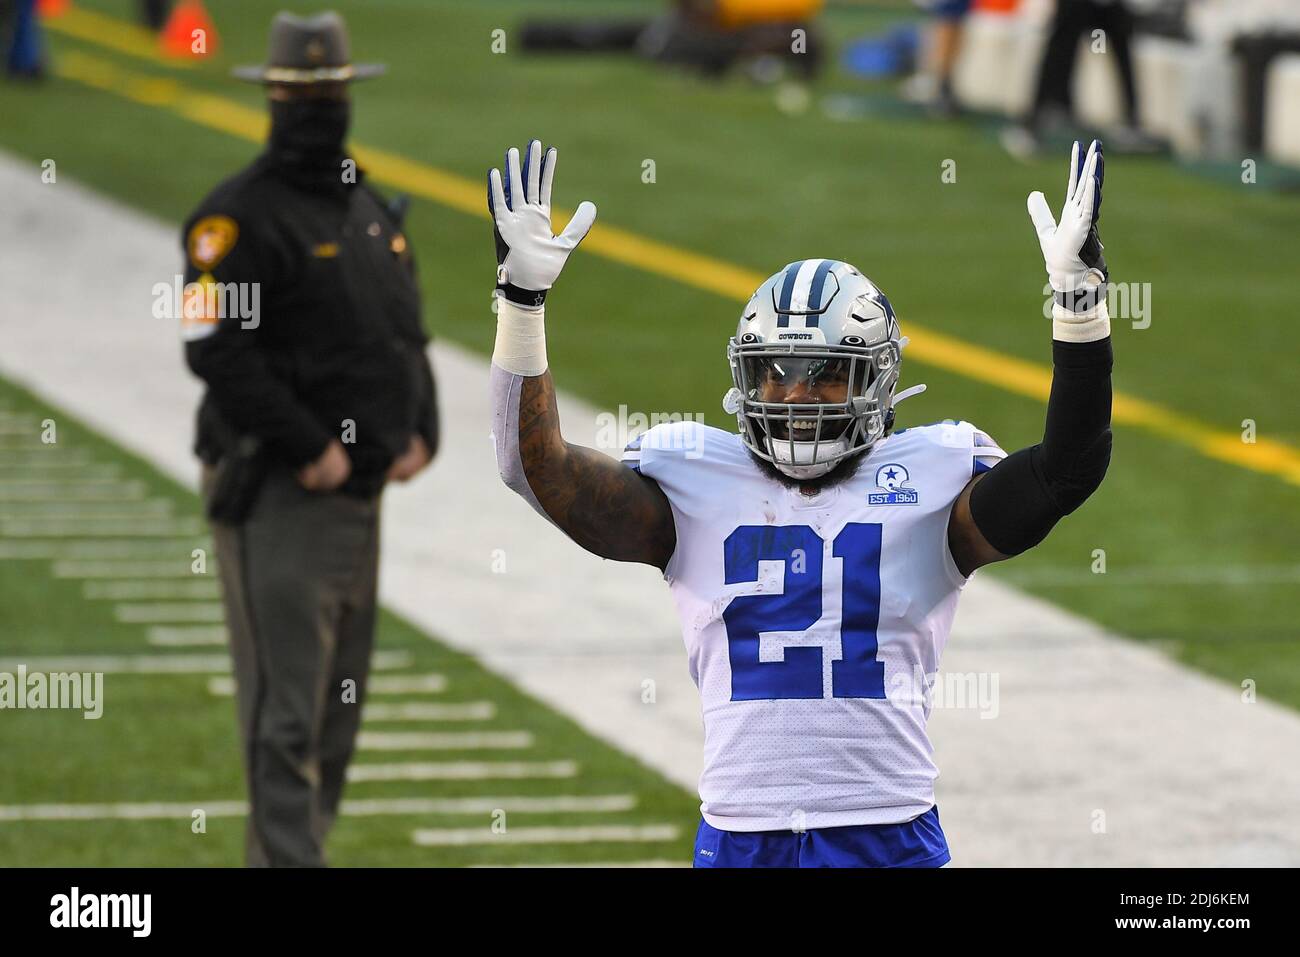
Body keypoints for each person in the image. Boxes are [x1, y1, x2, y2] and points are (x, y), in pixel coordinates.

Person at [487, 137, 1111, 867]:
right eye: (776, 374)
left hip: (889, 830)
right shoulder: (696, 480)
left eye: (825, 375)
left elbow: (1064, 471)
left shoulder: (931, 476)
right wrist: (521, 305)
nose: (797, 398)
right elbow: (532, 470)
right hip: (742, 832)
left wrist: (1079, 304)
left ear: (876, 380)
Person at [181, 11, 438, 866]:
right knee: (285, 711)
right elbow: (214, 347)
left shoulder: (366, 206)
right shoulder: (233, 221)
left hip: (360, 501)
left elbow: (403, 330)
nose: (317, 107)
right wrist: (307, 447)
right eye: (302, 94)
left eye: (328, 92)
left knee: (335, 711)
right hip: (283, 497)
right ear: (273, 97)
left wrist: (421, 426)